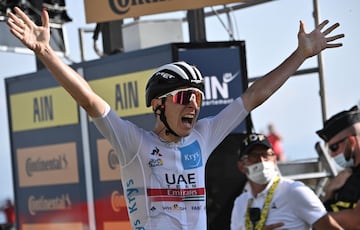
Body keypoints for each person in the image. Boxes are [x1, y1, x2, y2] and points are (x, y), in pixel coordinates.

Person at [6, 6, 344, 229]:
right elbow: (90, 101)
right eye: (184, 97)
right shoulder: (133, 143)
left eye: (198, 98)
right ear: (158, 106)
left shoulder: (203, 135)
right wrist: (46, 52)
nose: (193, 106)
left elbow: (254, 96)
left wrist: (300, 54)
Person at [230, 133, 343, 230]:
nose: (261, 160)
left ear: (274, 160)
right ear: (241, 166)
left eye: (266, 155)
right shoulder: (240, 203)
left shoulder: (295, 191)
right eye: (253, 156)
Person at [316, 105, 360, 229]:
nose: (331, 154)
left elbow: (357, 220)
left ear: (351, 141)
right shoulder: (346, 176)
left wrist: (313, 218)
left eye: (334, 148)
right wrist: (330, 192)